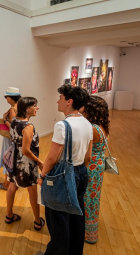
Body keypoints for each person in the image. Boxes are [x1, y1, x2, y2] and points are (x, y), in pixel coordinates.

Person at [38, 85, 93, 255]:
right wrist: (79, 172)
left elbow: (52, 158)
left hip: (63, 176)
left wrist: (42, 175)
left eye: (60, 98)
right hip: (81, 173)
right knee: (76, 217)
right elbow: (88, 157)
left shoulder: (63, 125)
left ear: (69, 101)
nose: (57, 101)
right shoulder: (87, 123)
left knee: (58, 220)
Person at [5, 97, 45, 230]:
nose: (37, 108)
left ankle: (9, 215)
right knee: (32, 190)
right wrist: (39, 162)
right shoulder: (28, 127)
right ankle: (38, 221)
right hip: (26, 163)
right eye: (35, 105)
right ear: (27, 109)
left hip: (14, 160)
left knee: (12, 186)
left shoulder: (14, 120)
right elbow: (26, 150)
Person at [80, 96, 110, 244]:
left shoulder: (92, 128)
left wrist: (82, 170)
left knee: (87, 198)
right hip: (98, 165)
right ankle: (91, 231)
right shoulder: (102, 127)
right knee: (93, 198)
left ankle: (87, 234)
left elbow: (87, 155)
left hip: (91, 167)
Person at [0, 87, 21, 190]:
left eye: (7, 96)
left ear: (11, 98)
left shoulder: (12, 110)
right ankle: (12, 182)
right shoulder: (19, 107)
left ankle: (6, 184)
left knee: (8, 159)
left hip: (9, 139)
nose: (6, 98)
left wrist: (5, 119)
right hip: (15, 139)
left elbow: (12, 127)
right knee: (11, 159)